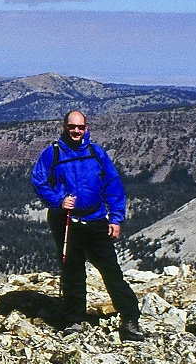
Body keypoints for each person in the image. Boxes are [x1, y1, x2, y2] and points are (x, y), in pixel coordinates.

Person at [30, 110, 145, 342]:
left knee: (111, 271)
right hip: (66, 221)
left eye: (80, 127)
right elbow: (38, 181)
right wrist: (58, 201)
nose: (76, 131)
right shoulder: (52, 153)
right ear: (64, 127)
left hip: (96, 220)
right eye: (72, 126)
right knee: (72, 271)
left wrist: (116, 218)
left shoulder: (96, 152)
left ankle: (130, 319)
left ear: (86, 128)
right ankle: (73, 319)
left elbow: (113, 184)